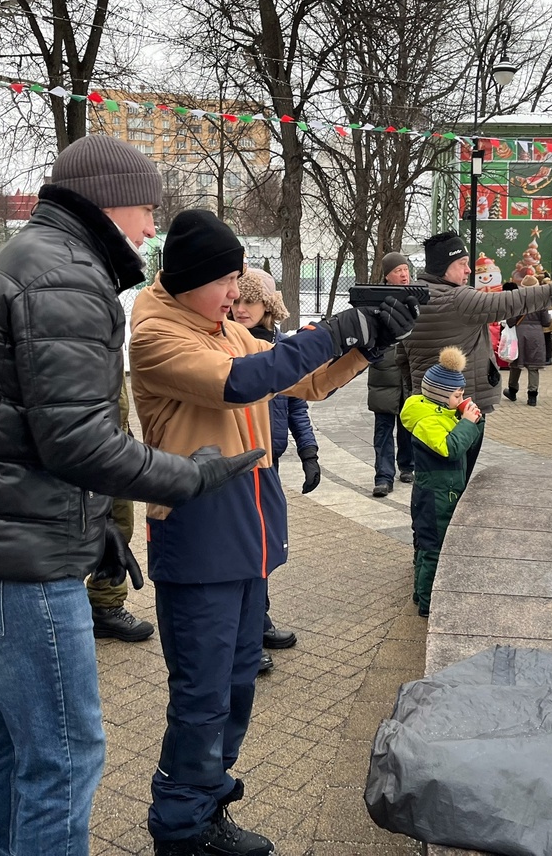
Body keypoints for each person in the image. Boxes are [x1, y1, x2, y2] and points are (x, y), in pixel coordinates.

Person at [0, 135, 262, 856]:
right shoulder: (67, 278)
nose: (148, 229)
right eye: (143, 209)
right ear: (108, 201)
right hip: (18, 558)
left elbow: (34, 430)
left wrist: (92, 515)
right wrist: (187, 477)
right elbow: (75, 441)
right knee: (64, 754)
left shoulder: (34, 257)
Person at [128, 209, 418, 856]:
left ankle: (206, 806)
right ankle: (179, 828)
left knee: (234, 688)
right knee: (201, 695)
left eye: (238, 280)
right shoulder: (156, 334)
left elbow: (302, 379)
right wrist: (339, 327)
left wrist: (369, 344)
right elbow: (244, 384)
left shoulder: (219, 327)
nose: (237, 293)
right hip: (199, 531)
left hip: (247, 528)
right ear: (191, 277)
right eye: (228, 280)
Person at [403, 230, 552, 479]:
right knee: (455, 484)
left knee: (433, 481)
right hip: (461, 410)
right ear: (443, 267)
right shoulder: (457, 299)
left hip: (424, 410)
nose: (468, 271)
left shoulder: (411, 298)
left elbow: (400, 359)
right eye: (462, 264)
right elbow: (511, 301)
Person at [230, 266, 319, 674]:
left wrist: (310, 451)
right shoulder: (232, 347)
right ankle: (245, 632)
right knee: (246, 547)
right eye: (237, 300)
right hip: (240, 463)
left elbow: (298, 405)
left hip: (272, 460)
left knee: (266, 546)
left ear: (269, 305)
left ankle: (258, 620)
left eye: (250, 300)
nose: (241, 307)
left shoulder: (282, 348)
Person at [400, 346, 483, 617]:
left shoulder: (440, 413)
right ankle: (427, 603)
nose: (462, 398)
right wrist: (467, 423)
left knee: (427, 544)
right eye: (457, 395)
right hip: (436, 495)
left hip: (440, 491)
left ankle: (419, 592)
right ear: (440, 396)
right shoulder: (427, 422)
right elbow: (450, 448)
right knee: (433, 548)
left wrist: (472, 420)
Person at [84, 383, 155, 642]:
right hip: (86, 449)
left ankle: (105, 606)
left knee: (120, 528)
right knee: (78, 528)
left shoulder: (110, 344)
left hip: (116, 444)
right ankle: (59, 610)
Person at [367, 252, 415, 497]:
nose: (404, 274)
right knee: (384, 428)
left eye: (406, 269)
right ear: (387, 276)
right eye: (398, 271)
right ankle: (383, 477)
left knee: (409, 422)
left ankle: (407, 465)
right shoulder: (376, 300)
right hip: (383, 374)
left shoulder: (416, 297)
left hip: (408, 371)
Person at [501, 274, 552, 406]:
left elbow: (511, 321)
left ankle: (512, 390)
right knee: (533, 366)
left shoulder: (518, 300)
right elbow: (546, 322)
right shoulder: (541, 301)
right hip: (536, 336)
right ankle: (532, 396)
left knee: (516, 363)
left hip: (519, 335)